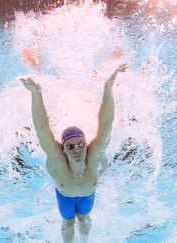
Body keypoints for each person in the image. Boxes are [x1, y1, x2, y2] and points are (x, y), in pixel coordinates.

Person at [20, 63, 127, 242]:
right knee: (68, 223)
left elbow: (106, 123)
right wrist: (36, 94)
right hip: (65, 197)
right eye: (70, 146)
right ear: (63, 149)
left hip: (86, 196)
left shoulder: (94, 155)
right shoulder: (57, 160)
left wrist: (108, 87)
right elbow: (42, 129)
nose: (77, 149)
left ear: (86, 144)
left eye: (80, 144)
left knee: (84, 220)